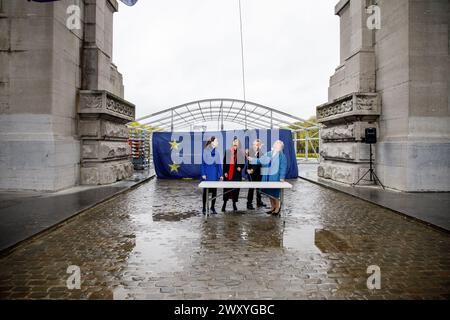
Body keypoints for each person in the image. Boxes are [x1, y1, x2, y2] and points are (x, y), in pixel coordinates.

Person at [249, 140, 287, 216]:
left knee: (275, 193)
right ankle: (272, 208)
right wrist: (252, 159)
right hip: (267, 176)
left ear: (281, 147)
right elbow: (261, 160)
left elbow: (283, 167)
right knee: (269, 193)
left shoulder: (282, 156)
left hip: (275, 177)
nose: (276, 145)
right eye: (276, 144)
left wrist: (282, 177)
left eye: (278, 145)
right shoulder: (269, 153)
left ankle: (277, 208)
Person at [201, 136, 223, 215]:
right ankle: (204, 207)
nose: (218, 143)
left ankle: (212, 207)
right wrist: (203, 173)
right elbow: (203, 163)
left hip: (214, 174)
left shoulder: (217, 152)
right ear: (212, 142)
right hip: (207, 174)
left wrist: (221, 174)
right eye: (216, 141)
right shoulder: (205, 151)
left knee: (214, 192)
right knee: (205, 192)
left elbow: (219, 164)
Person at [222, 137, 245, 212]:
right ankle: (224, 204)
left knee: (235, 190)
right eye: (234, 141)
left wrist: (240, 167)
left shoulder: (241, 152)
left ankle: (234, 203)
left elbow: (243, 163)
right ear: (232, 143)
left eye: (237, 142)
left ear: (239, 144)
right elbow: (224, 162)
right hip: (228, 174)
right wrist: (225, 172)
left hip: (236, 174)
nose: (235, 143)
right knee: (226, 189)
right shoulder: (228, 151)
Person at [245, 139, 266, 210]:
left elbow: (259, 162)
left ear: (259, 145)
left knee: (258, 188)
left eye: (257, 145)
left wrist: (252, 169)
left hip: (259, 173)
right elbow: (248, 162)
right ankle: (249, 203)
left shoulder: (261, 153)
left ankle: (259, 201)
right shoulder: (249, 151)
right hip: (251, 174)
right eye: (254, 144)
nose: (255, 146)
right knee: (251, 188)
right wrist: (248, 170)